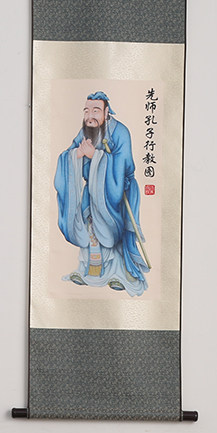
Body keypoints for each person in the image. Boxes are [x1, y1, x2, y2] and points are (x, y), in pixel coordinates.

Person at [54, 91, 149, 296]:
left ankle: (122, 274)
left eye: (96, 111)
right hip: (92, 192)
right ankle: (89, 271)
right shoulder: (85, 132)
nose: (90, 116)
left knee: (117, 232)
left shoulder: (121, 132)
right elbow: (68, 154)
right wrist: (76, 155)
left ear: (107, 113)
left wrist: (96, 156)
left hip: (119, 191)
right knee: (90, 225)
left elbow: (121, 165)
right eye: (86, 111)